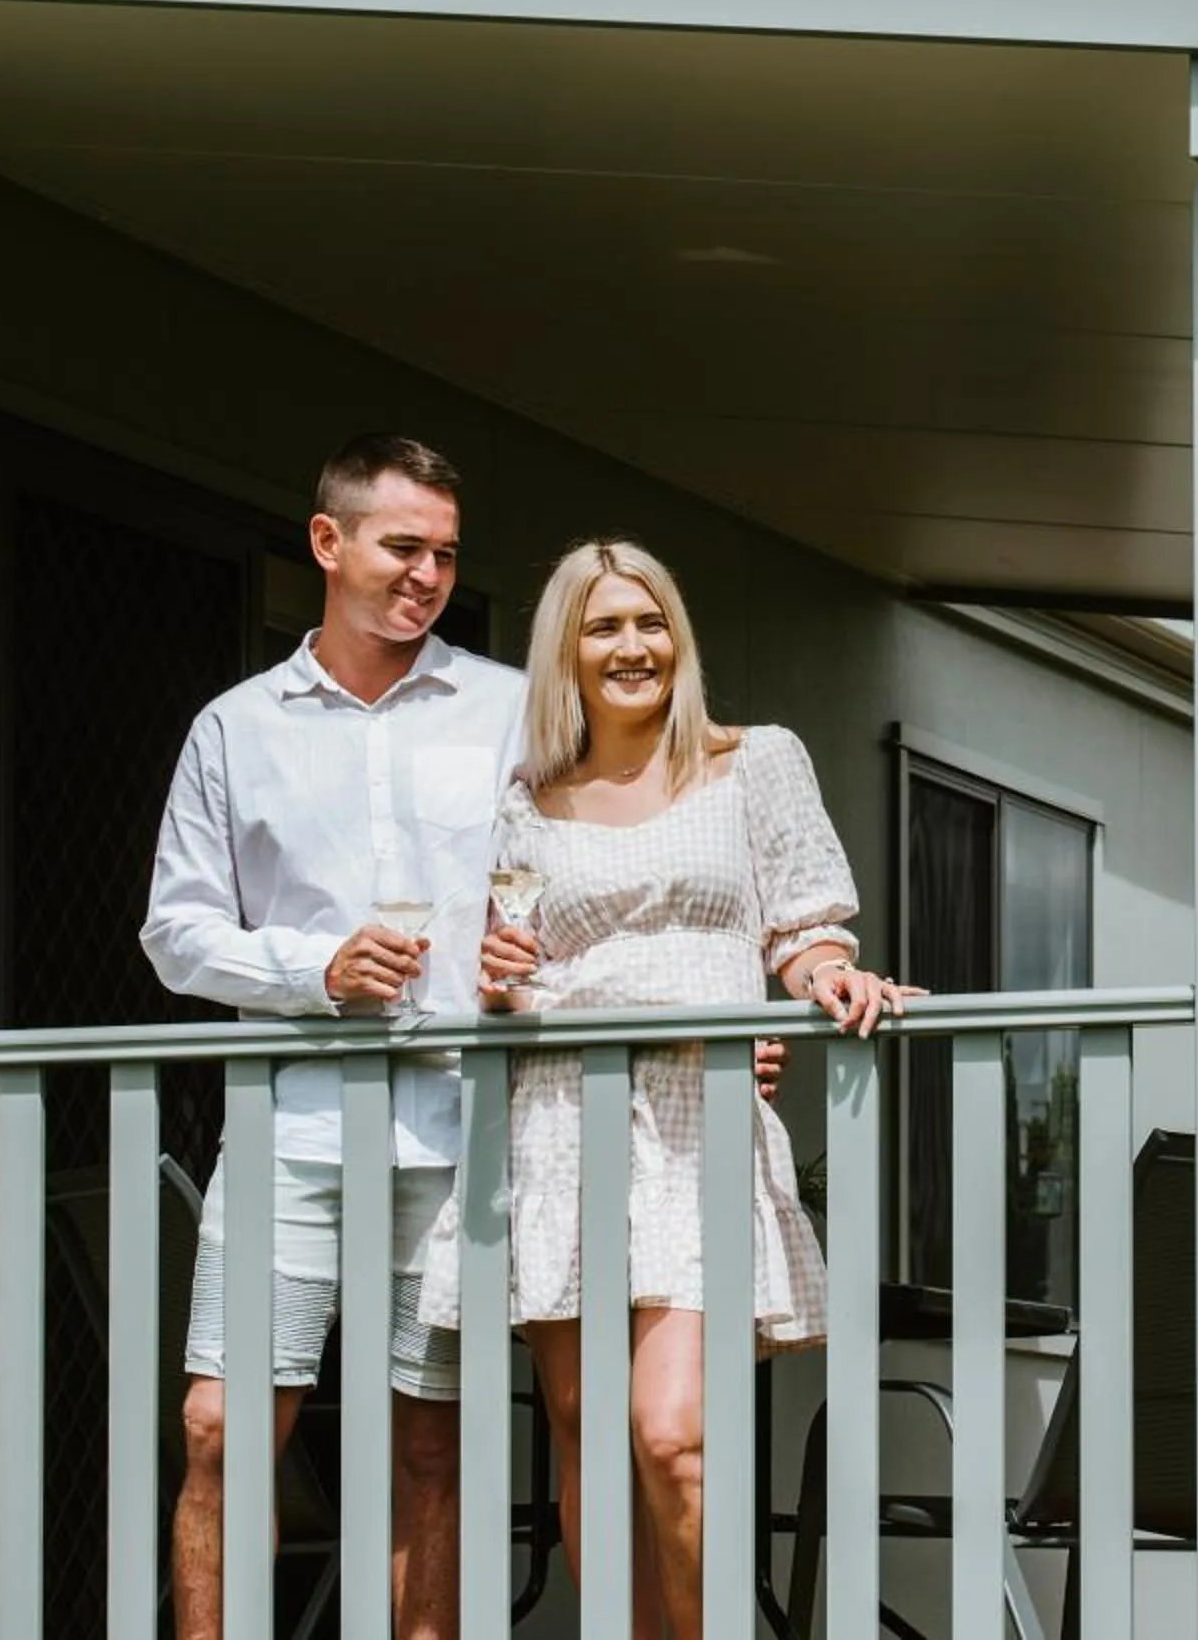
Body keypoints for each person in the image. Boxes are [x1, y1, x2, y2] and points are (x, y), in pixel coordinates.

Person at [140, 442, 790, 1639]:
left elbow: (621, 875)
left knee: (431, 1446)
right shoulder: (234, 729)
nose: (428, 575)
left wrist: (715, 1020)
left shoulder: (517, 714)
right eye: (403, 547)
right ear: (328, 542)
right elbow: (174, 932)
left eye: (445, 553)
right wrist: (315, 968)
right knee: (218, 1428)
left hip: (466, 1135)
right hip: (287, 1123)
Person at [425, 539, 916, 1640]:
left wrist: (827, 978)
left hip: (698, 1119)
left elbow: (803, 926)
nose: (633, 646)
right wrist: (496, 978)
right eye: (604, 626)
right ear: (568, 649)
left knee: (670, 1431)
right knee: (585, 1427)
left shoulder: (756, 762)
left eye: (651, 622)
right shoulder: (527, 799)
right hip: (561, 1115)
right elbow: (512, 971)